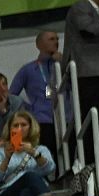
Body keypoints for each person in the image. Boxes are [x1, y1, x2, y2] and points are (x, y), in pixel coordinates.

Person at [0, 111, 76, 196]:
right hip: (7, 193)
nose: (19, 129)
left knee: (27, 192)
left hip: (35, 191)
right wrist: (7, 158)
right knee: (29, 175)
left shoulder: (40, 149)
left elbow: (50, 169)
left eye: (23, 125)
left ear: (30, 127)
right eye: (15, 125)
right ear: (9, 129)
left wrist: (34, 153)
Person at [11, 31, 67, 163]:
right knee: (46, 151)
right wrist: (29, 109)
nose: (56, 42)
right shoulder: (28, 69)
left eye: (57, 39)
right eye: (51, 39)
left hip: (66, 117)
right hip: (42, 119)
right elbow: (11, 96)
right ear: (39, 45)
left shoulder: (66, 65)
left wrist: (63, 63)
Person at [66, 0, 99, 125]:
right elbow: (89, 30)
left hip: (97, 72)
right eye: (52, 39)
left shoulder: (96, 11)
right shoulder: (81, 6)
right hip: (87, 73)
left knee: (96, 114)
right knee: (90, 114)